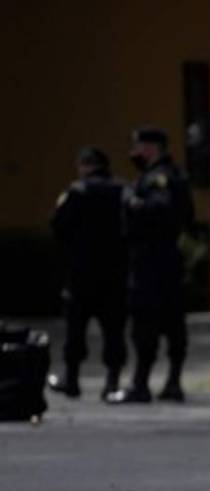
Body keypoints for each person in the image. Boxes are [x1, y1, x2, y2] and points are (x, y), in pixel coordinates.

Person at [107, 126, 194, 404]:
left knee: (146, 324)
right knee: (173, 323)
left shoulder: (159, 178)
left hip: (150, 263)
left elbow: (160, 209)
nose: (133, 153)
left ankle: (141, 384)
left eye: (137, 147)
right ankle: (172, 383)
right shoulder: (176, 176)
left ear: (152, 148)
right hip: (168, 261)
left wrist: (132, 202)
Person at [47, 146, 127, 400]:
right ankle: (112, 382)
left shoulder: (76, 191)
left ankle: (72, 381)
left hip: (81, 273)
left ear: (84, 165)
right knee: (114, 329)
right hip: (115, 272)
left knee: (75, 330)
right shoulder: (122, 190)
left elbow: (57, 225)